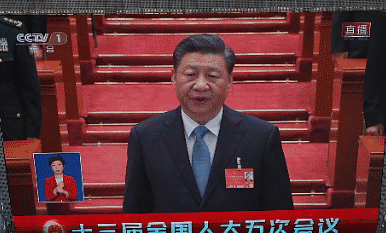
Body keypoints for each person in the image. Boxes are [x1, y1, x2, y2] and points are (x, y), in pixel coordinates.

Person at [122, 34, 293, 213]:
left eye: (212, 75)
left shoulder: (261, 136)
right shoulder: (146, 137)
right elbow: (134, 216)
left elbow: (281, 215)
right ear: (173, 77)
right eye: (190, 75)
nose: (201, 85)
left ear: (229, 81)